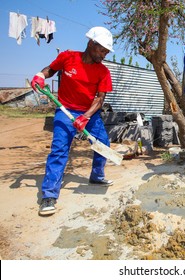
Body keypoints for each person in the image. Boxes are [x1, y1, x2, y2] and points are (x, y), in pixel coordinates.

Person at [31, 26, 115, 216]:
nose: (104, 55)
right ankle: (49, 195)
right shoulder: (68, 57)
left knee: (103, 144)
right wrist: (40, 75)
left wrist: (85, 117)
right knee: (59, 149)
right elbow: (50, 70)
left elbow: (100, 99)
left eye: (106, 52)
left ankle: (97, 176)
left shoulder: (103, 72)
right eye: (102, 50)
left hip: (89, 113)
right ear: (91, 44)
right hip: (65, 110)